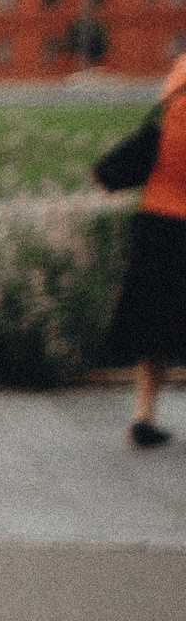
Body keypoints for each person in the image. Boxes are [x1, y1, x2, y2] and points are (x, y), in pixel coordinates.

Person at [95, 53, 186, 448]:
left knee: (155, 322)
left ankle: (143, 417)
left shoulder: (170, 108)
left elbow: (110, 172)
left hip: (157, 224)